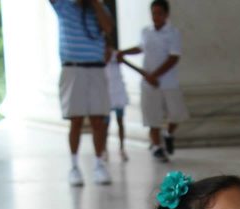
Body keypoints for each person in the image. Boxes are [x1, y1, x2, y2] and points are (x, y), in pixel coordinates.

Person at [48, 0, 113, 187]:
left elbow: (108, 27)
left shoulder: (99, 9)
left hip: (96, 68)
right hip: (72, 68)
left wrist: (95, 4)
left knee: (98, 120)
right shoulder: (63, 5)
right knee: (75, 120)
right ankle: (74, 167)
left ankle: (99, 164)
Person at [117, 0, 188, 163]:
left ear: (166, 15)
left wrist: (155, 75)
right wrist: (124, 52)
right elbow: (141, 47)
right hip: (149, 84)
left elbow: (173, 57)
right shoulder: (146, 31)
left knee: (176, 114)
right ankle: (156, 146)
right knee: (152, 117)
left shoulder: (173, 33)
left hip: (168, 82)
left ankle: (168, 134)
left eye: (159, 13)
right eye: (153, 13)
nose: (155, 17)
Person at [104, 46, 130, 162]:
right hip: (106, 93)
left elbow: (123, 61)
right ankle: (104, 149)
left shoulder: (117, 54)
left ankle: (122, 148)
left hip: (118, 92)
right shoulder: (99, 55)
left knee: (120, 122)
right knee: (105, 125)